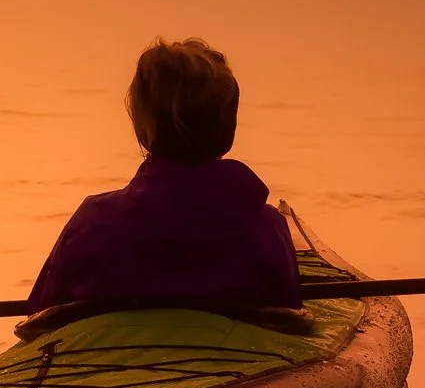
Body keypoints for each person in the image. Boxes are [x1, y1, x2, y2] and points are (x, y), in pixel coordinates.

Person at [22, 38, 301, 332]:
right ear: (229, 129)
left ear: (142, 129)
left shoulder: (91, 222)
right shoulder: (264, 225)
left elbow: (40, 317)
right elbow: (289, 316)